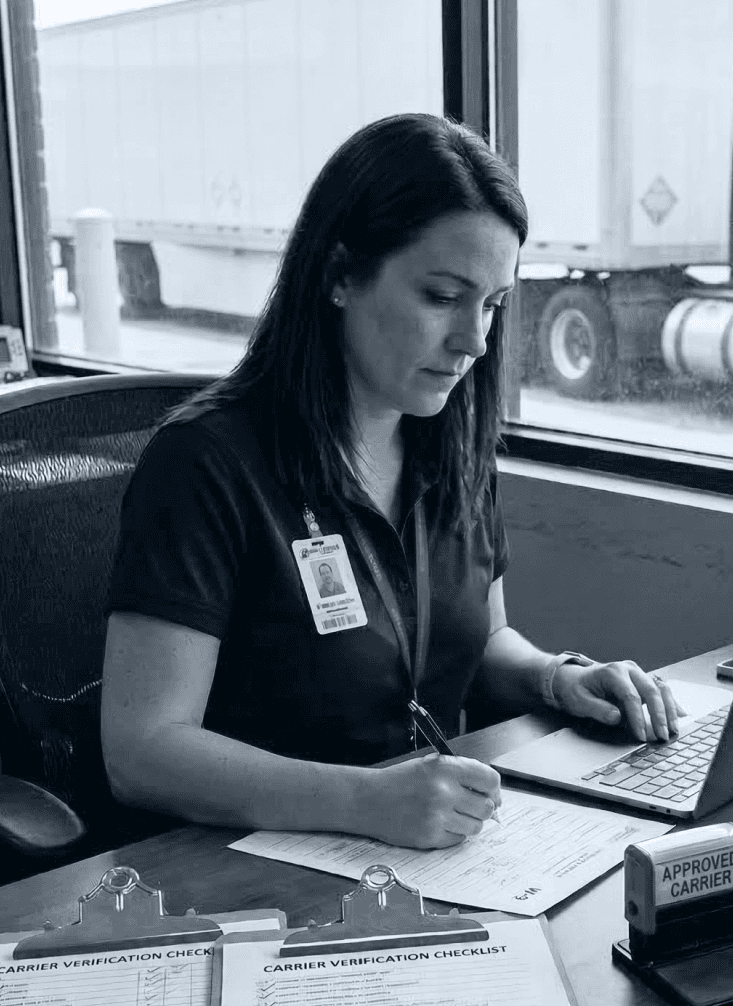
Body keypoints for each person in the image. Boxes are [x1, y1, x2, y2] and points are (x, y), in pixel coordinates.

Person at [101, 114, 681, 851]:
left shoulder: (451, 443)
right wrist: (366, 799)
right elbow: (142, 753)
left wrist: (553, 678)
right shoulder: (205, 463)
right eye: (443, 297)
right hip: (243, 863)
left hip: (418, 851)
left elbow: (481, 638)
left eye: (494, 304)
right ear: (341, 274)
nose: (475, 340)